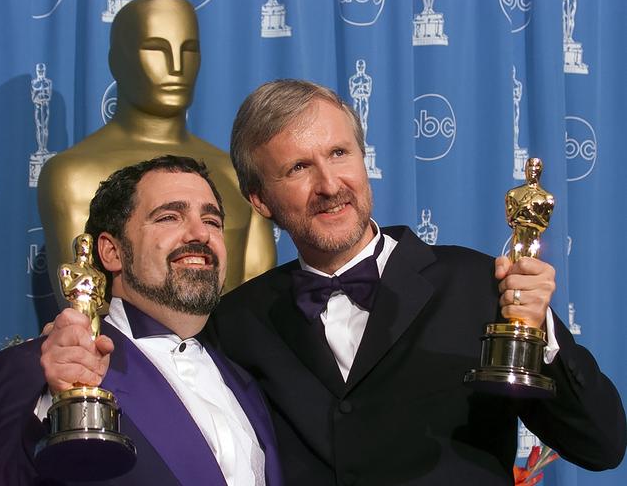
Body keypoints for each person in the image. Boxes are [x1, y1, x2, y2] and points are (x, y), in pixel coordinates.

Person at [210, 79, 626, 485]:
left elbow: (600, 445)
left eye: (339, 153)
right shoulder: (236, 324)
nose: (330, 185)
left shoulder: (479, 285)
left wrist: (542, 333)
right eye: (298, 167)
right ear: (260, 199)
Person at [0, 156, 283, 486]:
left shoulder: (246, 384)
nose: (200, 234)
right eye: (169, 217)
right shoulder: (30, 371)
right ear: (112, 252)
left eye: (212, 221)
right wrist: (55, 404)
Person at [37, 0, 275, 306]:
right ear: (116, 61)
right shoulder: (72, 175)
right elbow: (87, 307)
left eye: (188, 50)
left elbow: (257, 301)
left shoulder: (235, 172)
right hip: (122, 353)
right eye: (156, 49)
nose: (176, 67)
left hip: (228, 354)